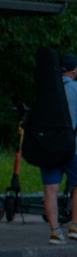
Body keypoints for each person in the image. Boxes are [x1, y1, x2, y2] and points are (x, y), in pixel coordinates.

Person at [44, 53, 77, 245]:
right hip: (71, 147)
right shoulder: (76, 88)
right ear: (74, 70)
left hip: (48, 148)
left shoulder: (48, 90)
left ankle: (55, 231)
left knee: (50, 190)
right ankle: (74, 226)